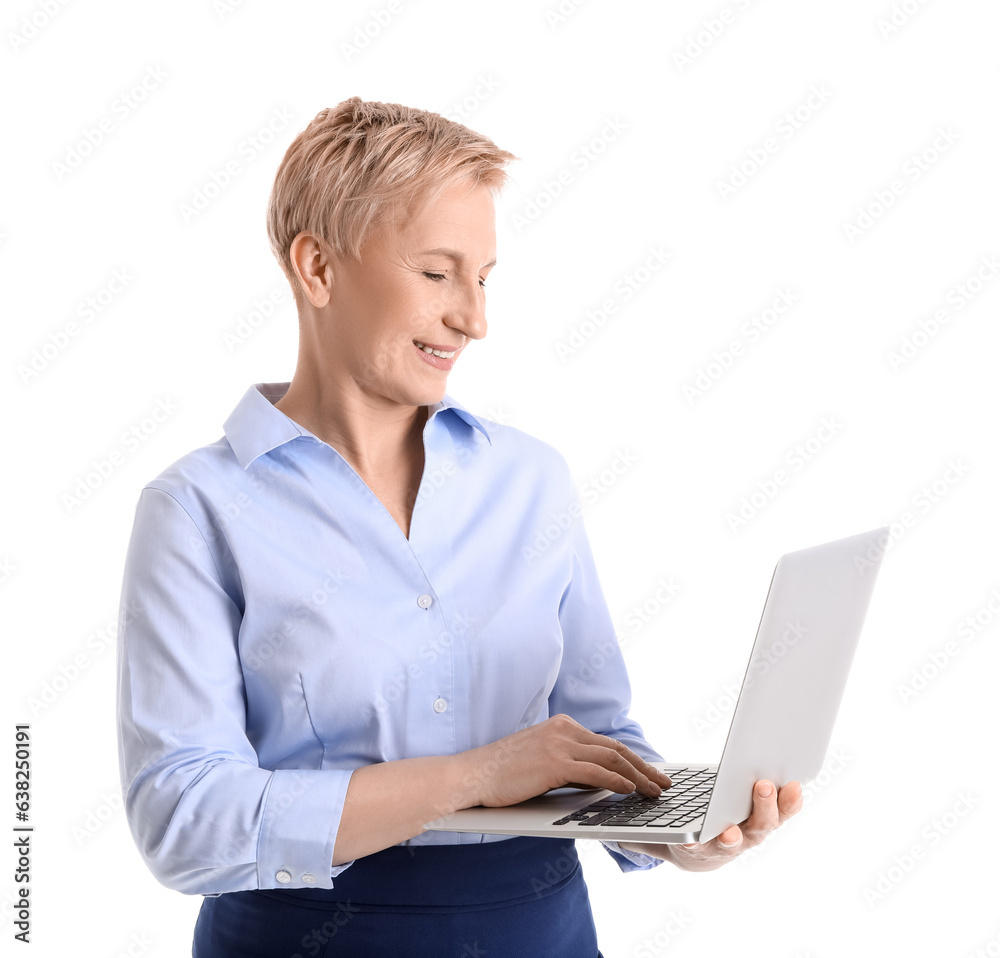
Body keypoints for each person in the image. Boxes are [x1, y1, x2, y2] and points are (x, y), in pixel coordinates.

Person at [116, 97, 803, 957]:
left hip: (540, 931)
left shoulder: (529, 480)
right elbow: (181, 823)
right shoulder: (198, 510)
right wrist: (474, 778)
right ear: (317, 268)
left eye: (483, 278)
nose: (474, 318)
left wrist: (676, 831)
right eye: (438, 273)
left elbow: (598, 740)